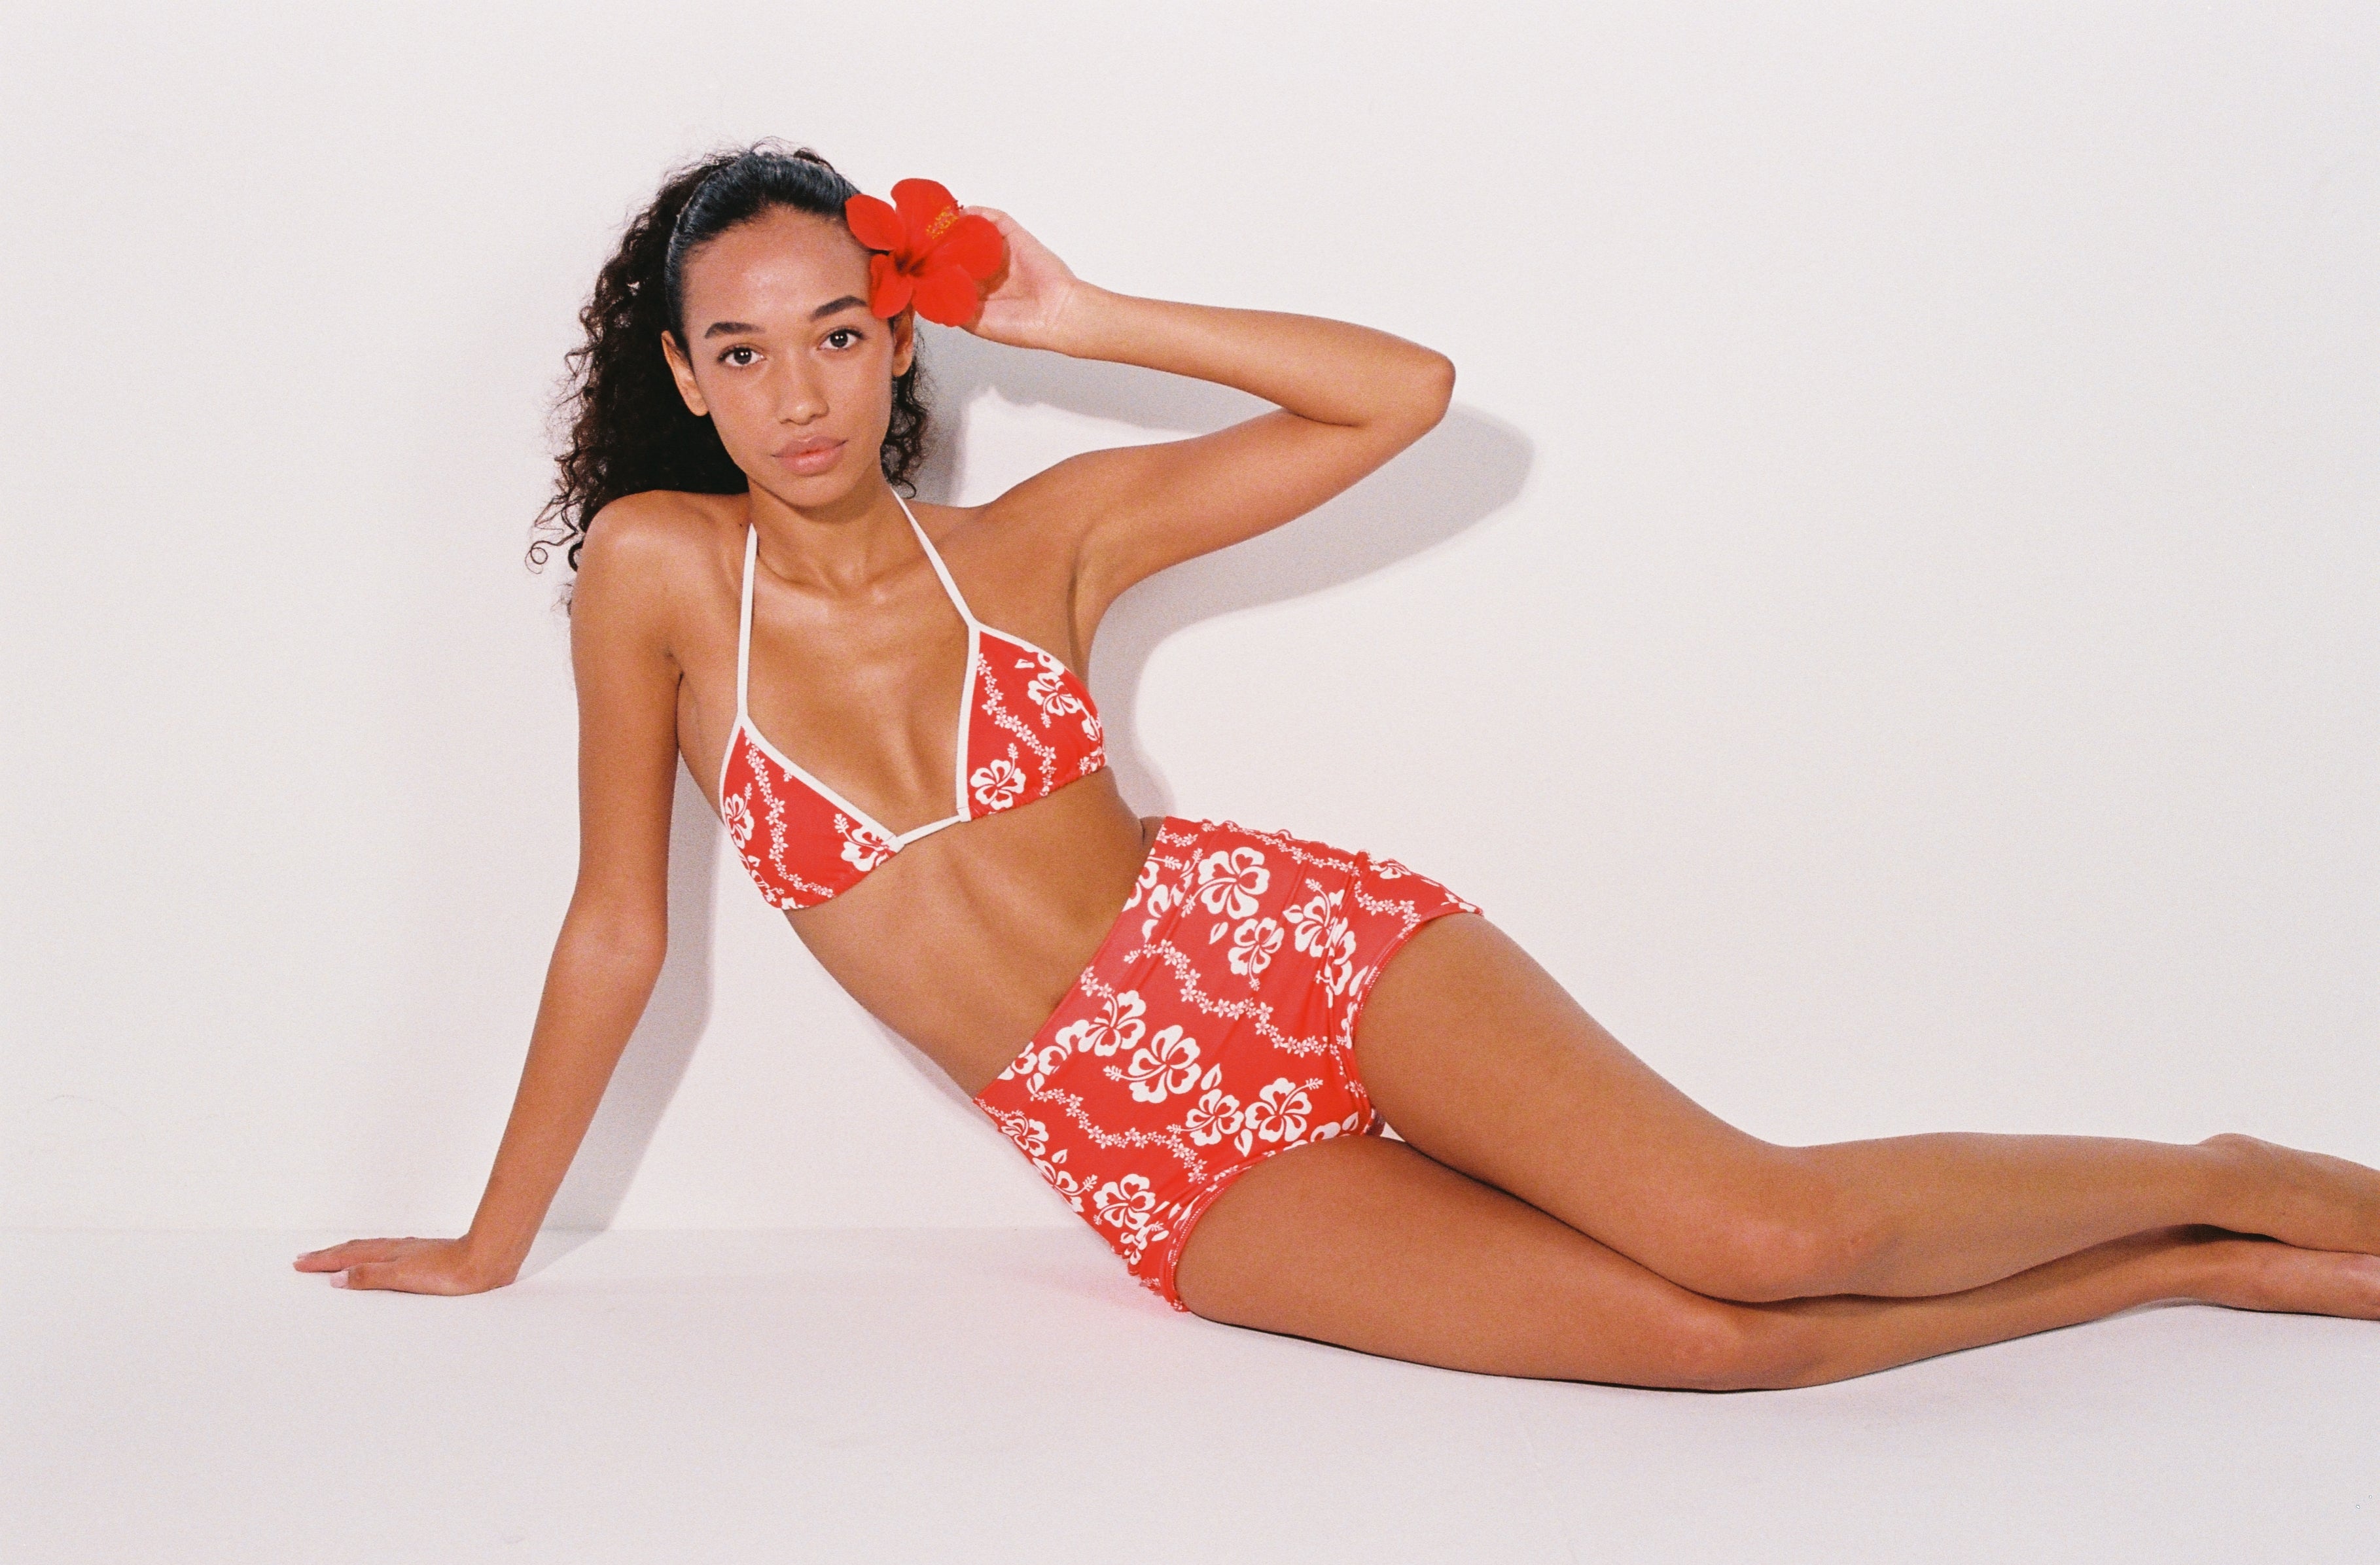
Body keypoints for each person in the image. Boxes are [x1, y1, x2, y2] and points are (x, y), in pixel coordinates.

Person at [296, 142, 2380, 1389]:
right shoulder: (660, 572)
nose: (796, 391)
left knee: (1760, 1235)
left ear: (902, 335)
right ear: (682, 378)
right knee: (1707, 1343)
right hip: (1145, 1148)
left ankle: (2226, 1178)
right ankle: (2183, 1274)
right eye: (742, 352)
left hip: (1277, 953)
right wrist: (493, 1240)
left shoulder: (1035, 544)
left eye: (836, 330)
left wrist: (1084, 310)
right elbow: (616, 925)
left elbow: (1404, 395)